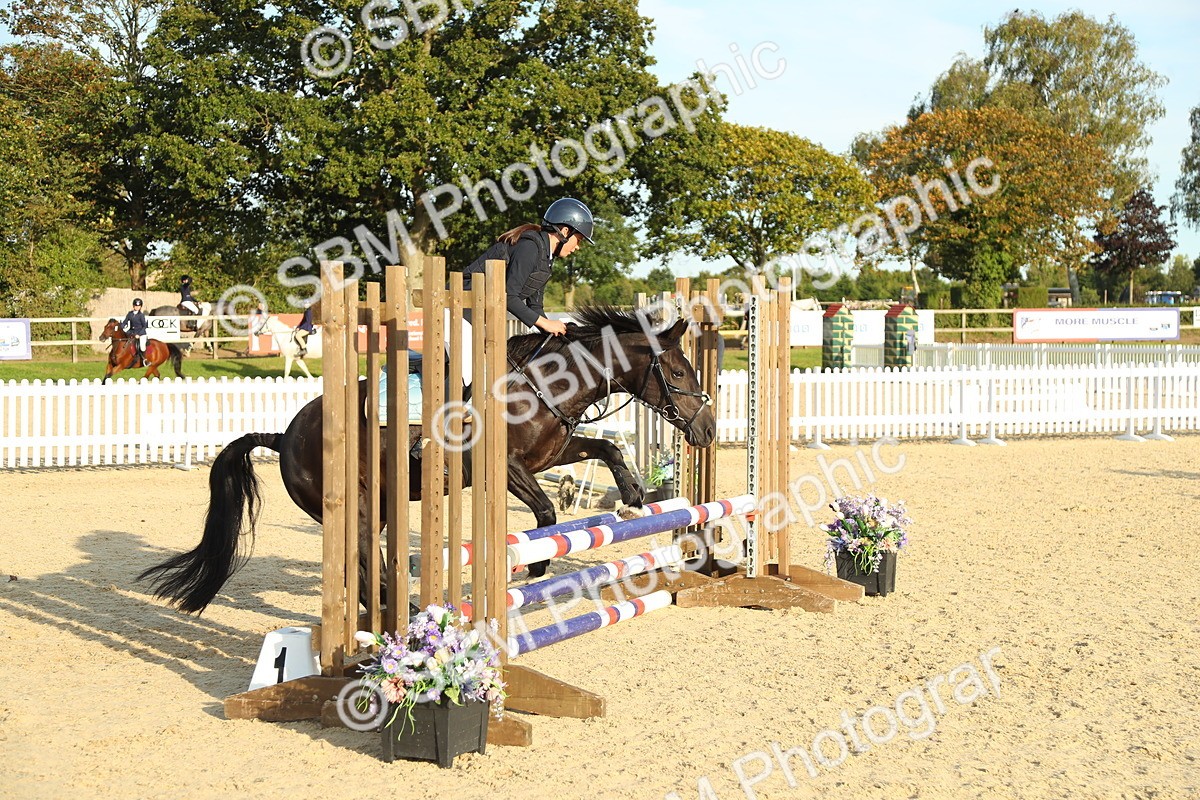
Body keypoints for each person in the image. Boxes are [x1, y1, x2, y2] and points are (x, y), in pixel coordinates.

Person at [457, 197, 595, 384]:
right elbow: (508, 296)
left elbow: (535, 305)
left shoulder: (546, 258)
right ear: (565, 231)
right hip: (457, 310)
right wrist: (546, 324)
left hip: (476, 315)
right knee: (470, 374)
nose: (577, 247)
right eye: (578, 240)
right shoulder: (529, 247)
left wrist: (556, 333)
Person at [121, 298, 149, 366]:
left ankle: (144, 360)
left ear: (140, 307)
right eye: (136, 306)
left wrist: (139, 334)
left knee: (142, 346)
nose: (137, 307)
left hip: (141, 333)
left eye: (138, 306)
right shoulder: (130, 314)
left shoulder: (141, 315)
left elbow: (144, 326)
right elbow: (125, 322)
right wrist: (121, 327)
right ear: (133, 306)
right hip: (132, 332)